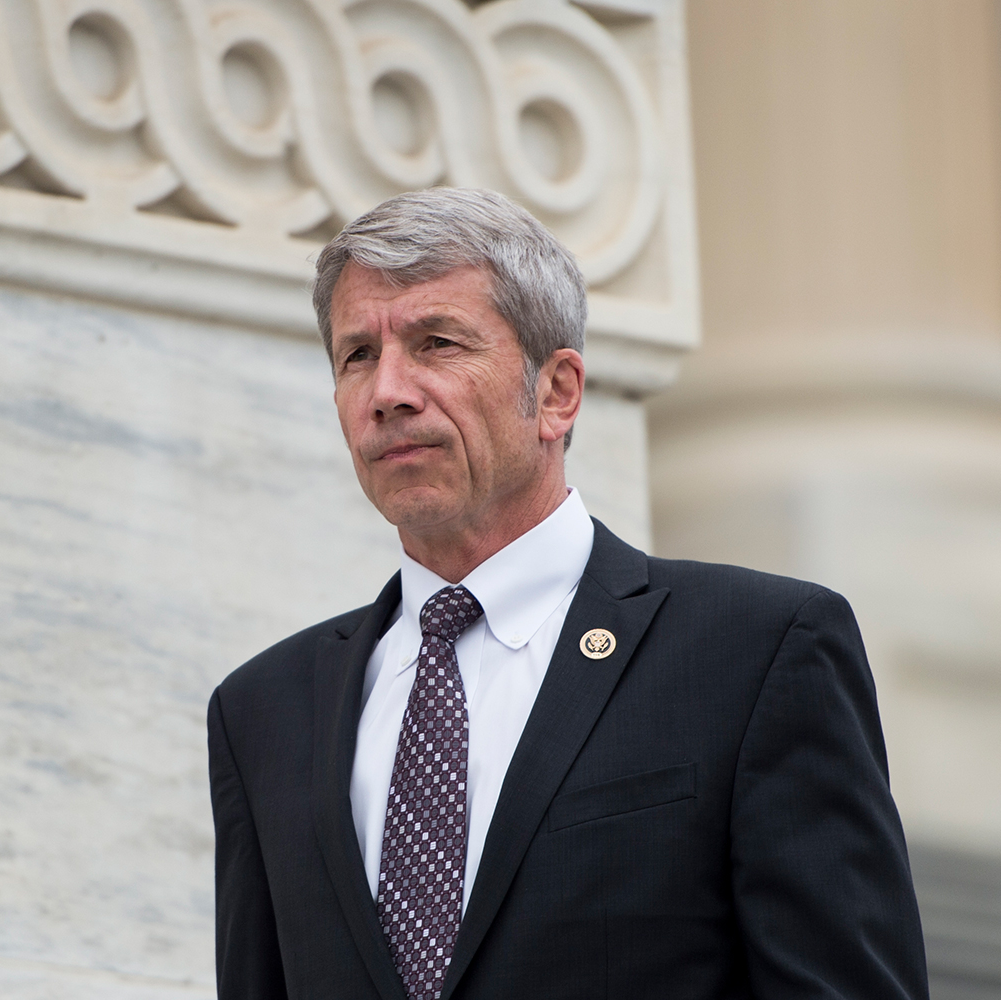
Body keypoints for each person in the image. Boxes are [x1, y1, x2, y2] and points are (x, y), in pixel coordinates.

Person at [207, 188, 928, 1000]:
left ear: (557, 393)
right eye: (357, 356)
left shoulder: (757, 650)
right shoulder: (263, 712)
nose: (388, 392)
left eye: (436, 342)